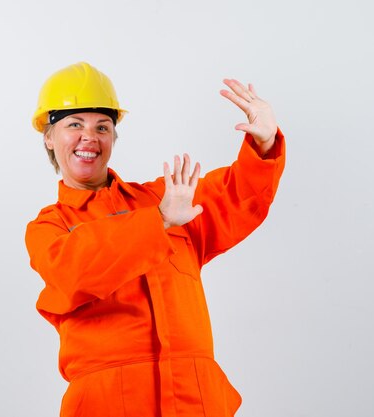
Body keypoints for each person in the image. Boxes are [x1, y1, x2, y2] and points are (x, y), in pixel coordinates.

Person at [24, 62, 285, 417]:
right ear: (49, 137)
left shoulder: (165, 197)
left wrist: (263, 142)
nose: (90, 137)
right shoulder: (51, 226)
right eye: (74, 125)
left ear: (113, 138)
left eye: (102, 127)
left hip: (194, 400)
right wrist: (159, 221)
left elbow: (235, 196)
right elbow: (74, 271)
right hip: (109, 405)